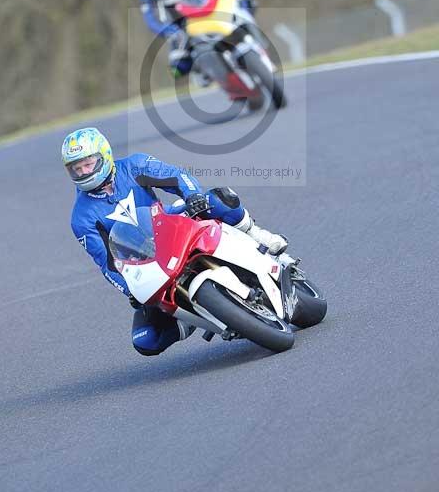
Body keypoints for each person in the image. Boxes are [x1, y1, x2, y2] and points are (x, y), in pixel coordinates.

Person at [62, 127, 287, 357]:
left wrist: (193, 196)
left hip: (170, 224)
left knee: (217, 199)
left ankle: (257, 235)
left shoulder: (134, 165)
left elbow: (177, 176)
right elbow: (107, 263)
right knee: (146, 340)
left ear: (104, 155)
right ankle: (190, 316)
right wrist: (129, 289)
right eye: (76, 169)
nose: (84, 172)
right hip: (144, 261)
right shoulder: (81, 218)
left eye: (88, 163)